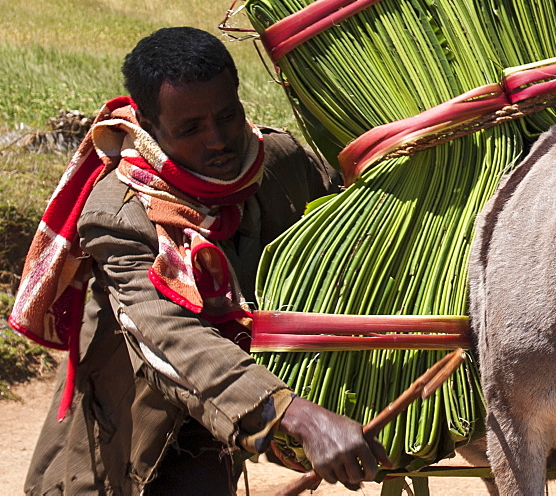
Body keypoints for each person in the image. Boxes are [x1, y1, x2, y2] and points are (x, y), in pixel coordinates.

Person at [13, 27, 388, 494]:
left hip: (231, 398)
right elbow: (171, 336)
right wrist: (296, 414)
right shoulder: (119, 212)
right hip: (139, 415)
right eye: (190, 128)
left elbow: (359, 217)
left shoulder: (281, 163)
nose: (219, 141)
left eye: (228, 116)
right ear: (149, 127)